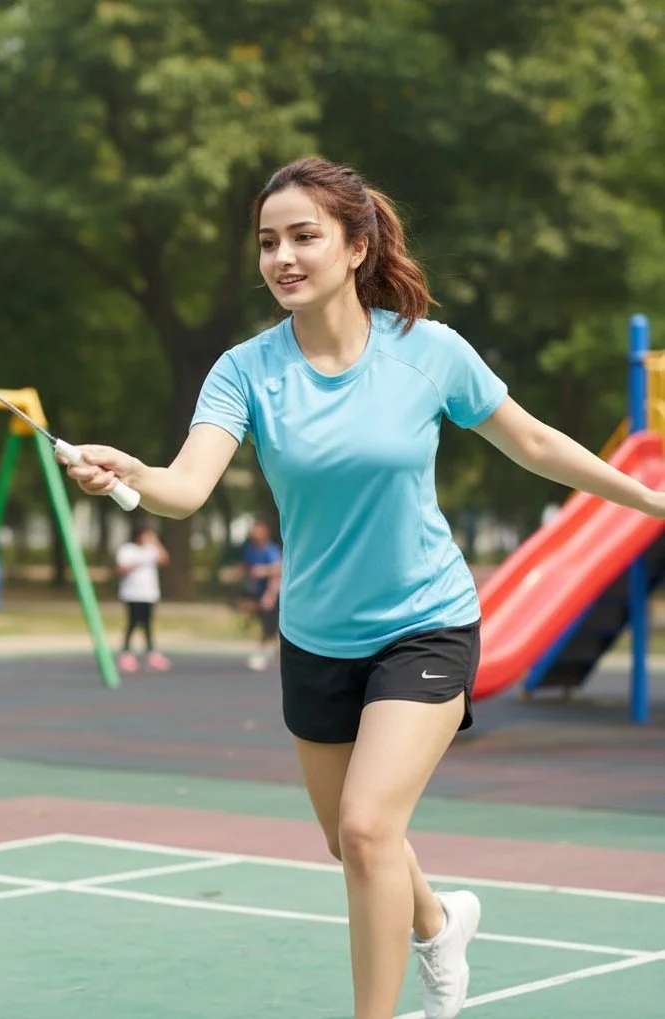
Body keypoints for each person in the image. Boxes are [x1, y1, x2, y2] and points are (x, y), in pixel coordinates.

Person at [58, 156, 665, 1019]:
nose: (283, 257)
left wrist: (648, 496)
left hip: (427, 623)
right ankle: (440, 919)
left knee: (369, 828)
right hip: (315, 636)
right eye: (269, 242)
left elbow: (531, 443)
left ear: (356, 245)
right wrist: (129, 472)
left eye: (305, 235)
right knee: (352, 841)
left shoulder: (428, 352)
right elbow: (187, 488)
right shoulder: (244, 371)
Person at [115, 522, 171, 673]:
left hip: (149, 594)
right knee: (133, 622)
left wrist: (156, 543)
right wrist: (138, 561)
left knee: (148, 624)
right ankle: (126, 653)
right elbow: (121, 569)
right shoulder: (127, 549)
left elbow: (165, 560)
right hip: (132, 593)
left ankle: (152, 652)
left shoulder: (152, 549)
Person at [239, 518, 282, 670]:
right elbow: (247, 569)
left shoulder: (271, 550)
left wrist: (270, 595)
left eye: (258, 529)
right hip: (256, 592)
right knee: (265, 625)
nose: (254, 532)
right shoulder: (249, 549)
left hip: (271, 593)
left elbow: (278, 571)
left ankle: (263, 653)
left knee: (269, 626)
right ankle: (271, 649)